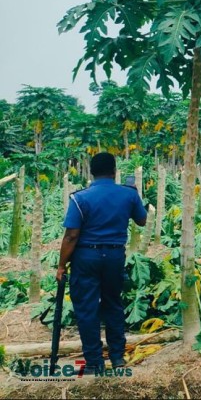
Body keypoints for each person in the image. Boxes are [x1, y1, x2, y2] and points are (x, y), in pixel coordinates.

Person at [56, 153, 147, 374]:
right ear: (114, 171)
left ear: (91, 172)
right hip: (115, 257)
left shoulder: (80, 198)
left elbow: (71, 236)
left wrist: (61, 265)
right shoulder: (128, 194)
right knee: (113, 305)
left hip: (86, 257)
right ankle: (117, 357)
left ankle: (95, 362)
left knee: (87, 309)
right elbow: (142, 221)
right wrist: (135, 195)